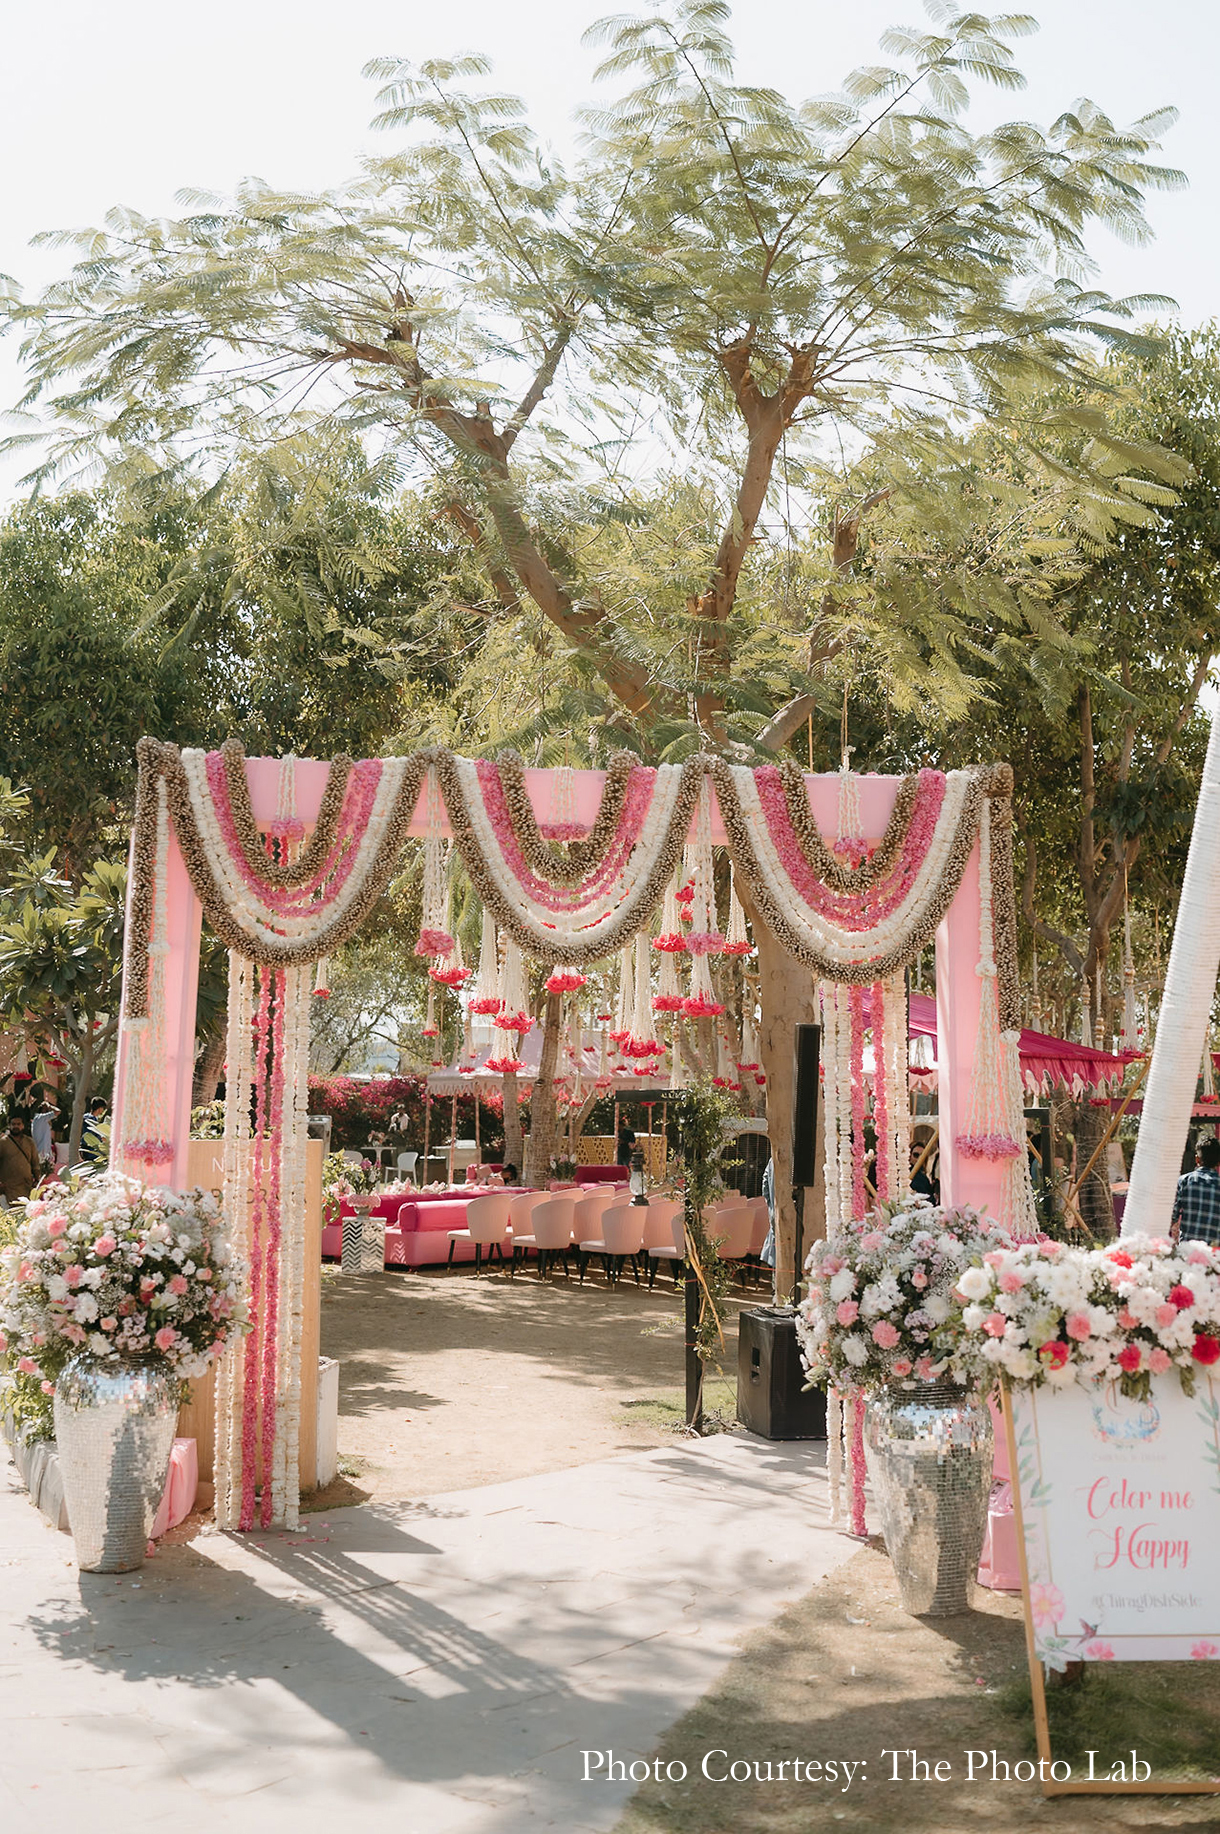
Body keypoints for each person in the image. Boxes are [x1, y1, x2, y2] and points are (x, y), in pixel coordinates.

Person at [1172, 1134, 1220, 1245]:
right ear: (1218, 1162)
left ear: (1197, 1159)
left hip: (1188, 1249)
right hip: (1215, 1253)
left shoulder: (1184, 1181)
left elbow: (1172, 1214)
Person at [0, 1114, 41, 1203]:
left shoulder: (29, 1142)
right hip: (9, 1186)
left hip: (26, 1185)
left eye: (18, 1124)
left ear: (23, 1126)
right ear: (9, 1126)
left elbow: (35, 1163)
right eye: (13, 1124)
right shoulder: (3, 1143)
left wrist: (37, 1179)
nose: (16, 1126)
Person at [31, 1094, 60, 1170]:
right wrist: (49, 1105)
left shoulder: (37, 1119)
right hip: (42, 1152)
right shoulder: (41, 1118)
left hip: (43, 1151)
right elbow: (57, 1111)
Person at [79, 1098, 109, 1165]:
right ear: (100, 1108)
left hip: (86, 1148)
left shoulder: (87, 1117)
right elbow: (91, 1134)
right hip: (90, 1149)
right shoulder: (91, 1119)